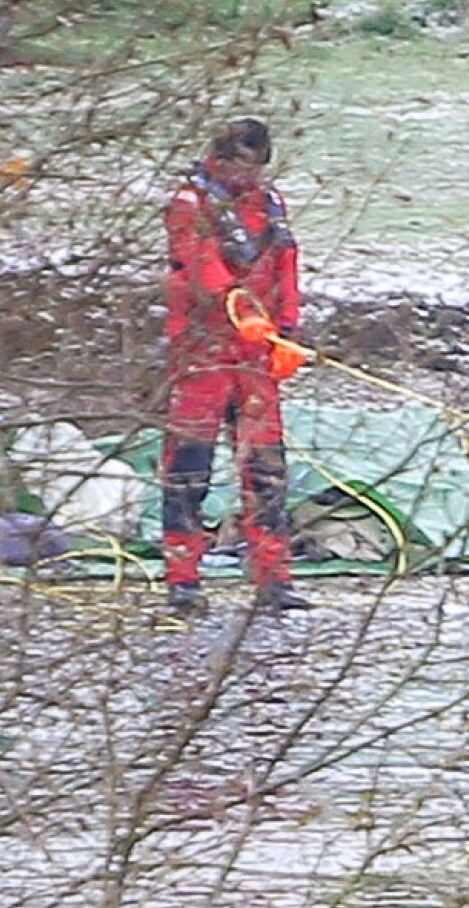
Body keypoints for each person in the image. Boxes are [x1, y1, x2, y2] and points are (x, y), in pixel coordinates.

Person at [160, 118, 309, 613]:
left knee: (266, 470)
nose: (250, 178)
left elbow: (286, 262)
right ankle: (183, 580)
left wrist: (286, 328)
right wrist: (241, 310)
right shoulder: (190, 204)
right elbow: (202, 270)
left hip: (256, 357)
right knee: (189, 469)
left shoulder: (270, 204)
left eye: (258, 168)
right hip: (203, 353)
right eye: (243, 166)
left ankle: (274, 579)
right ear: (220, 160)